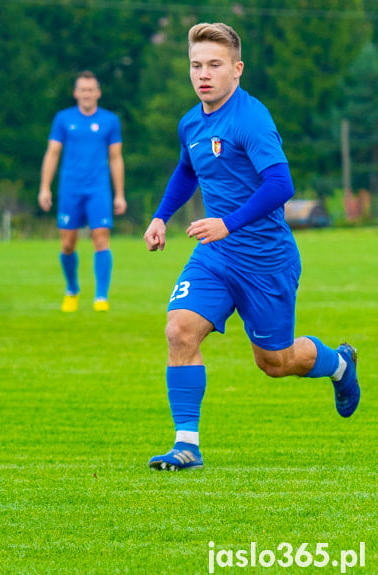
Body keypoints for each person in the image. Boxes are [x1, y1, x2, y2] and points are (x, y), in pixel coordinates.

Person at [143, 22, 360, 471]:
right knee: (178, 330)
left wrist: (229, 222)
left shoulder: (251, 118)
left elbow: (281, 183)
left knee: (276, 363)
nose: (203, 74)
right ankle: (186, 445)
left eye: (215, 65)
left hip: (266, 262)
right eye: (196, 65)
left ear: (237, 70)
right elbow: (188, 170)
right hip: (216, 257)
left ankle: (338, 364)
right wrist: (161, 217)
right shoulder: (191, 122)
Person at [38, 70, 127, 313]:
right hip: (70, 189)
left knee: (101, 237)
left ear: (98, 92)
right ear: (76, 93)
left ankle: (101, 297)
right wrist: (45, 187)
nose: (87, 94)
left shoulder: (110, 121)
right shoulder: (63, 119)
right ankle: (72, 290)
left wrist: (119, 193)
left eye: (91, 90)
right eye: (82, 90)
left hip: (98, 188)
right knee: (67, 244)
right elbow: (53, 153)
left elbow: (116, 158)